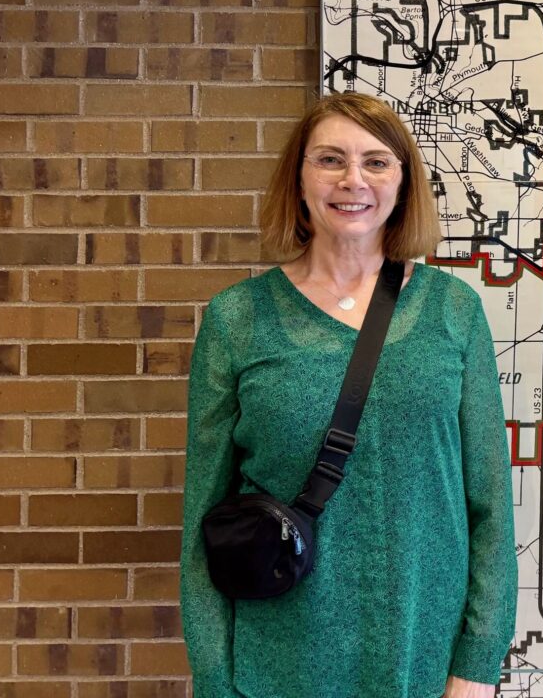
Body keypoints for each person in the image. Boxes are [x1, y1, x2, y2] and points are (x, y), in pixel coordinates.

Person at [180, 92, 518, 698]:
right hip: (275, 667)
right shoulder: (238, 320)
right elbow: (202, 518)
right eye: (330, 159)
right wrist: (213, 675)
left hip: (424, 660)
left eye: (376, 162)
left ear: (403, 181)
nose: (352, 180)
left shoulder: (453, 311)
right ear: (300, 178)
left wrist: (478, 664)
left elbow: (489, 507)